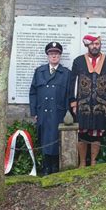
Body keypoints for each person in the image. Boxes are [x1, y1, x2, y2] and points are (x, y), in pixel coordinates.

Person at [69, 35, 106, 167]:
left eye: (97, 44)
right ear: (87, 46)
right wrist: (73, 102)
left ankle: (93, 162)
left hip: (101, 105)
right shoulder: (78, 62)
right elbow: (73, 83)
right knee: (82, 133)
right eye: (92, 44)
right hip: (83, 105)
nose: (95, 46)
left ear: (100, 44)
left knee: (97, 134)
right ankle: (82, 162)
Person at [29, 42, 71, 175]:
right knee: (45, 138)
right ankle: (46, 166)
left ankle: (55, 166)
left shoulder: (66, 73)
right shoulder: (39, 71)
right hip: (43, 112)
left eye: (57, 54)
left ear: (60, 56)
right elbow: (33, 92)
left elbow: (69, 95)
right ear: (47, 55)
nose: (54, 56)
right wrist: (34, 111)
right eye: (51, 54)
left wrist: (68, 113)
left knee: (56, 139)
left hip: (58, 112)